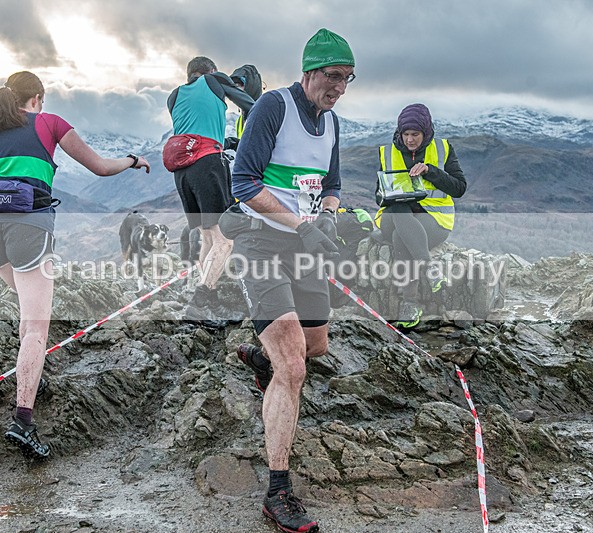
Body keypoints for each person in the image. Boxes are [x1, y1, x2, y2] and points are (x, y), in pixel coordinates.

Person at [0, 71, 150, 459]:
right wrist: (132, 160)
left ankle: (30, 376)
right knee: (37, 329)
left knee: (29, 312)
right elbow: (99, 166)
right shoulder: (51, 123)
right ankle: (23, 420)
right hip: (31, 228)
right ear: (38, 98)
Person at [229, 28, 354, 533]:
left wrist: (325, 216)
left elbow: (333, 185)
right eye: (332, 77)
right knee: (295, 369)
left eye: (347, 79)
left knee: (315, 346)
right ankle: (277, 491)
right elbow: (244, 183)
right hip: (261, 245)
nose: (339, 87)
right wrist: (299, 223)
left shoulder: (332, 123)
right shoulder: (272, 109)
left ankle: (261, 357)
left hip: (304, 246)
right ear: (309, 71)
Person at [166, 57, 255, 324]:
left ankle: (210, 302)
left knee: (207, 237)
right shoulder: (214, 80)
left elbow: (196, 124)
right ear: (211, 72)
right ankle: (199, 301)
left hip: (181, 170)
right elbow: (250, 105)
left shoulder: (174, 95)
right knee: (225, 238)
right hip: (208, 164)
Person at [375, 103, 466, 329]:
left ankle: (409, 305)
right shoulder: (388, 151)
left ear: (425, 132)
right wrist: (388, 195)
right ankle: (429, 268)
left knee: (400, 238)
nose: (409, 140)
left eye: (415, 134)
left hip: (433, 219)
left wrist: (430, 171)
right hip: (394, 216)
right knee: (398, 208)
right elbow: (377, 195)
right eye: (405, 134)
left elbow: (459, 188)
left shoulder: (443, 148)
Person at [229, 64, 263, 141]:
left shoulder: (264, 112)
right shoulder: (239, 121)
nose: (235, 92)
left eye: (239, 86)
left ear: (251, 87)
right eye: (234, 87)